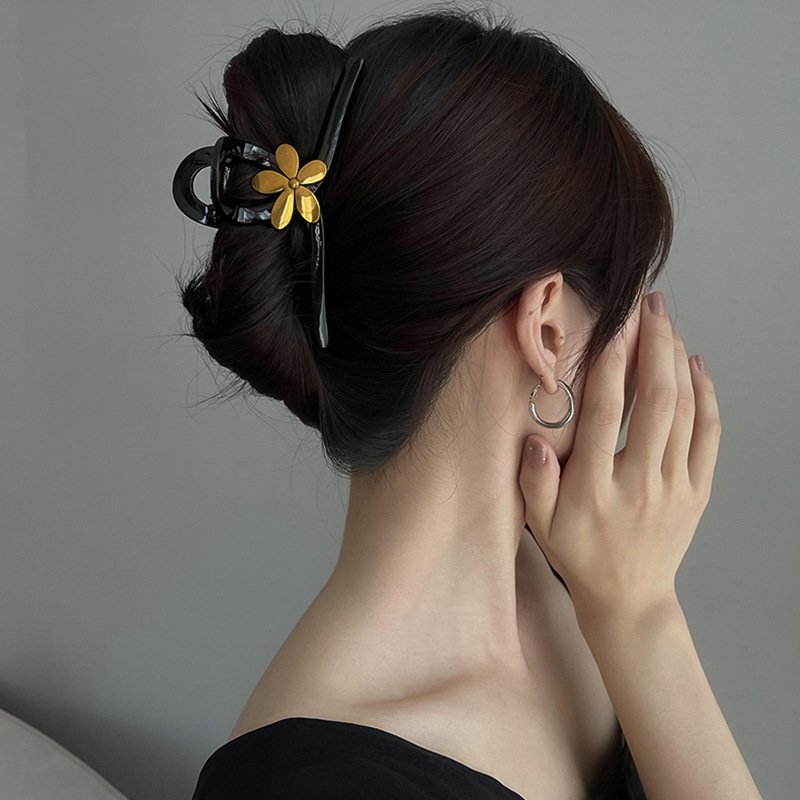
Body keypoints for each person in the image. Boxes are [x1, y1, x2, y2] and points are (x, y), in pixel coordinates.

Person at [175, 7, 762, 799]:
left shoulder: (590, 575)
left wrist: (639, 614)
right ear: (548, 330)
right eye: (624, 301)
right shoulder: (310, 787)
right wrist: (643, 619)